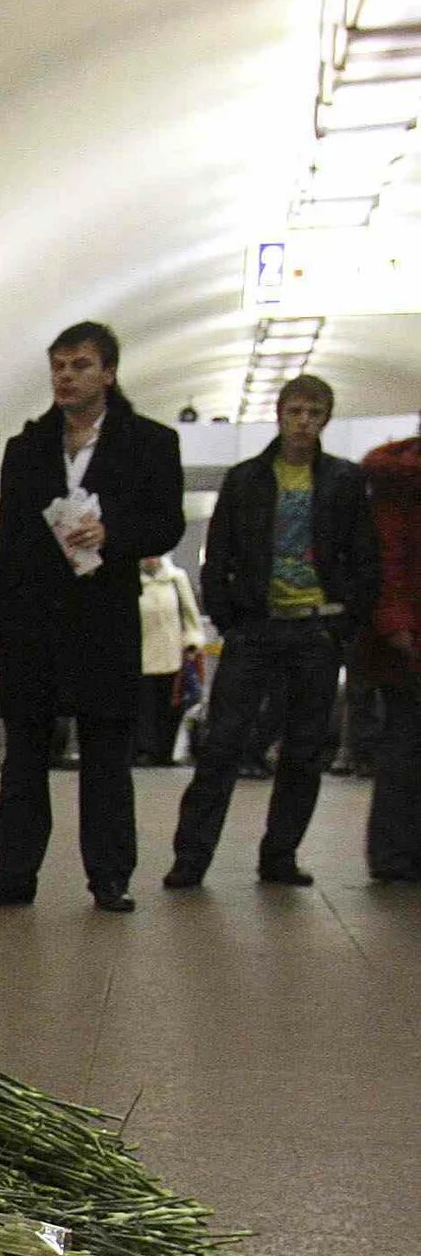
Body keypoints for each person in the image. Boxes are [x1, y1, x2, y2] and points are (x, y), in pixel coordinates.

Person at [0, 320, 185, 913]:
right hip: (32, 622)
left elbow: (168, 524)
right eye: (58, 366)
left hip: (105, 621)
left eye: (80, 366)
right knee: (25, 756)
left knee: (107, 755)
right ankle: (13, 875)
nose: (66, 377)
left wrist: (115, 533)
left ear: (109, 373)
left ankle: (109, 877)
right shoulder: (27, 447)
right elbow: (7, 538)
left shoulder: (151, 443)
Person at [167, 373, 379, 889]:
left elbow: (365, 556)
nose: (303, 422)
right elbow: (218, 554)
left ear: (325, 420)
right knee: (222, 745)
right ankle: (191, 858)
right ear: (280, 415)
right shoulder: (246, 479)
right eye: (295, 412)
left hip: (317, 630)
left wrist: (346, 620)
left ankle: (280, 856)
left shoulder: (344, 481)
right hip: (255, 629)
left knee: (304, 750)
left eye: (314, 413)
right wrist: (230, 615)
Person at [366, 434, 421, 882]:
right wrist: (396, 622)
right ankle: (394, 855)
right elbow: (389, 558)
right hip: (410, 638)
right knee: (404, 744)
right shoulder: (399, 481)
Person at [134, 553, 206, 766]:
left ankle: (164, 751)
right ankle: (144, 750)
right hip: (141, 656)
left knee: (171, 705)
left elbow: (190, 615)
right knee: (144, 706)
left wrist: (193, 642)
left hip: (172, 655)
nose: (150, 560)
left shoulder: (176, 579)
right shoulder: (132, 580)